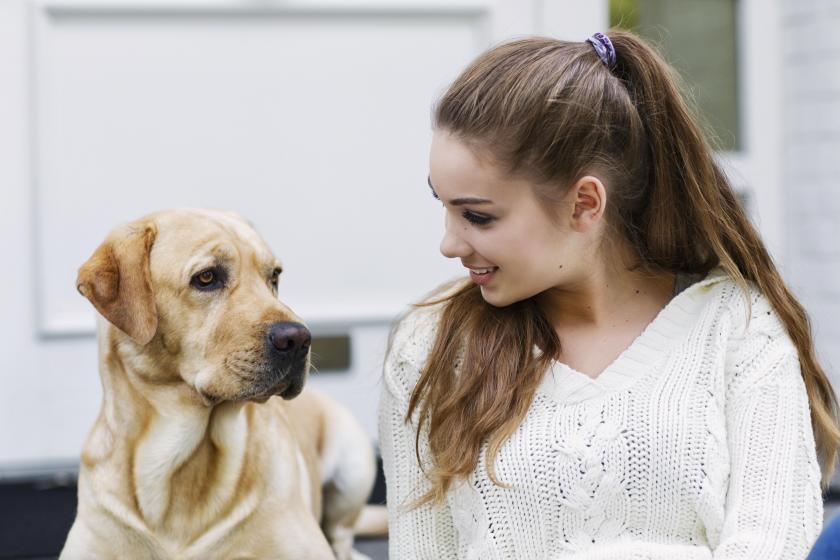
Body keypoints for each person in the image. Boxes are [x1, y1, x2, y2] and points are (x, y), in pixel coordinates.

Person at [378, 30, 840, 559]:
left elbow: (773, 544)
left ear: (585, 204)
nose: (449, 243)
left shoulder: (739, 331)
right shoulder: (429, 347)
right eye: (444, 205)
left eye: (478, 216)